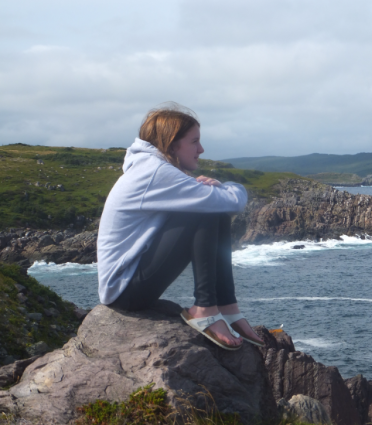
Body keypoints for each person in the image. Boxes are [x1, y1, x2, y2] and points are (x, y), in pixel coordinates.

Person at [97, 103, 264, 350]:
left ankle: (227, 306)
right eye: (194, 141)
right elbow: (234, 201)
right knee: (205, 210)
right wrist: (230, 187)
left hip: (130, 283)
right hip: (125, 291)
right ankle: (204, 309)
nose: (201, 149)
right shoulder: (154, 172)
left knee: (210, 208)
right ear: (173, 144)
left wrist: (210, 189)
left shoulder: (151, 168)